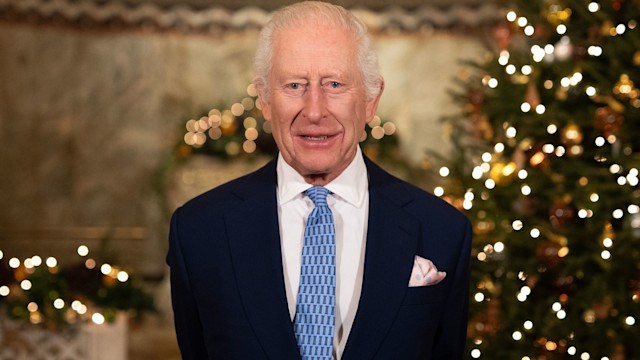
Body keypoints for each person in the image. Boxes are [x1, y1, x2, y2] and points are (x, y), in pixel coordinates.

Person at [167, 2, 472, 359]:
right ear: (265, 100)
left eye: (335, 84)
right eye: (294, 85)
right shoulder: (199, 232)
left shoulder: (443, 231)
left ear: (371, 100)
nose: (314, 111)